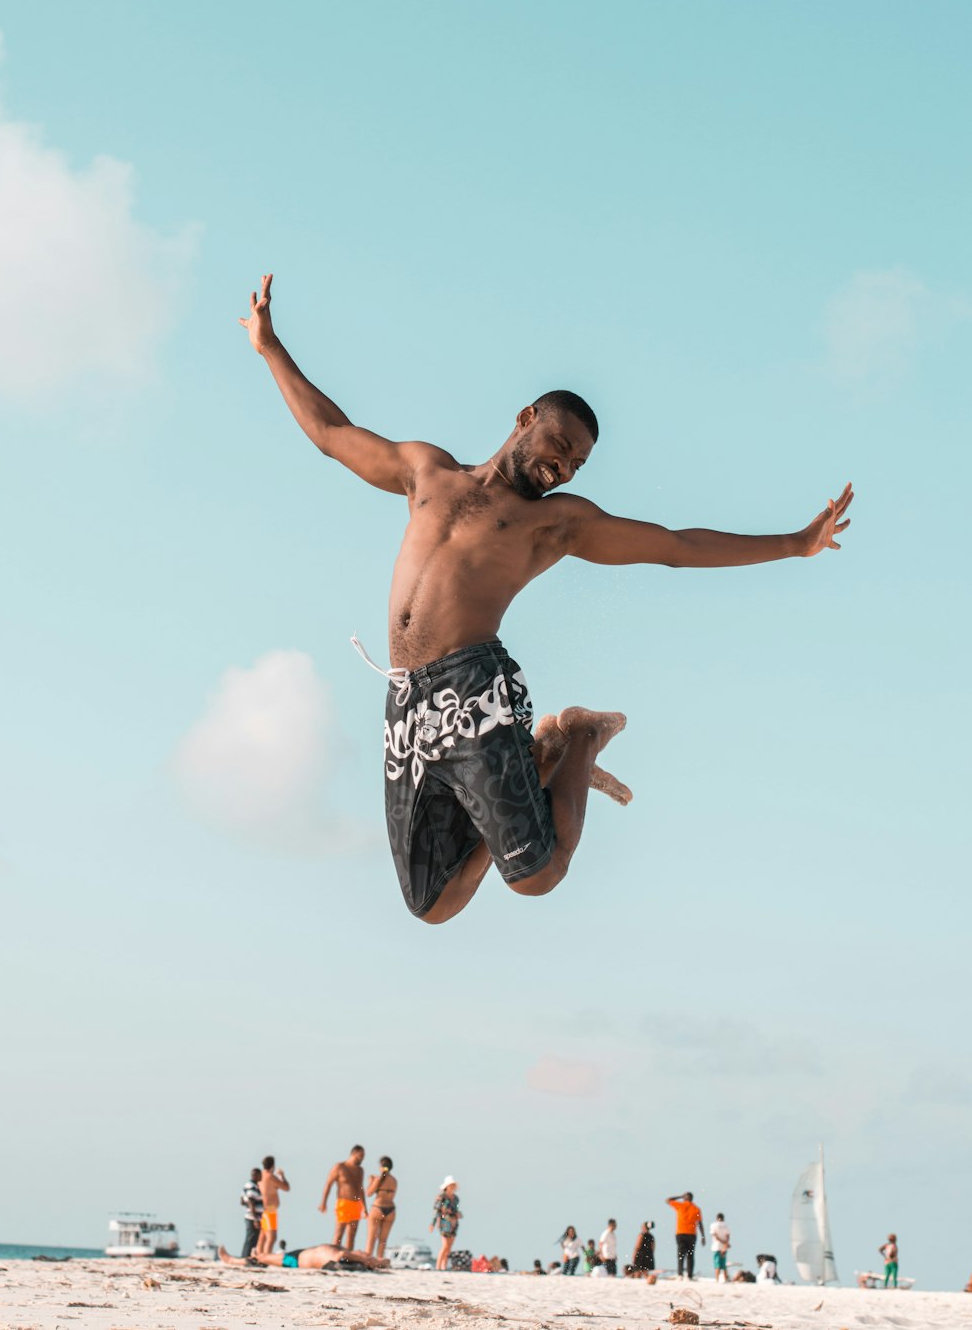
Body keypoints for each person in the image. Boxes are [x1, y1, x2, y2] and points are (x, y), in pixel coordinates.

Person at [240, 276, 854, 924]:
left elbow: (674, 544)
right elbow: (333, 433)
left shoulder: (554, 522)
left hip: (473, 681)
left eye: (576, 465)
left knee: (537, 874)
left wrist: (793, 542)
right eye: (560, 447)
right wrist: (269, 347)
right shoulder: (427, 471)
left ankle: (581, 735)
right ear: (526, 418)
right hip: (406, 695)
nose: (562, 469)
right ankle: (541, 765)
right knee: (432, 901)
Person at [319, 1145, 367, 1249]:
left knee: (352, 1234)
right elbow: (328, 1184)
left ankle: (348, 1259)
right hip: (343, 1203)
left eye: (363, 1156)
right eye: (360, 1156)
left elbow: (361, 1189)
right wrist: (323, 1202)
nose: (362, 1158)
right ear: (353, 1154)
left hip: (356, 1205)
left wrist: (365, 1208)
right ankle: (334, 1256)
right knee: (339, 1232)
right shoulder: (340, 1167)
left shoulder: (360, 1170)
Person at [219, 1242, 388, 1271]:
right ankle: (256, 1256)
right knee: (263, 1256)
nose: (361, 1250)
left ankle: (233, 1260)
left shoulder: (344, 1255)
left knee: (263, 1258)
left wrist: (365, 1259)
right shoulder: (347, 1255)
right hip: (301, 1255)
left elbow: (341, 1255)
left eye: (363, 1253)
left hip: (297, 1260)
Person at [365, 1155, 398, 1261]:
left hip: (378, 1208)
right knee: (383, 1240)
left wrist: (371, 1181)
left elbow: (369, 1193)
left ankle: (368, 1259)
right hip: (391, 1209)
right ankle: (379, 1260)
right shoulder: (394, 1180)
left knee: (371, 1238)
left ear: (381, 1167)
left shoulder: (378, 1179)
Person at [667, 1193, 705, 1279]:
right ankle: (689, 1275)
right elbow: (700, 1223)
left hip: (680, 1233)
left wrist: (680, 1196)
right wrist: (703, 1236)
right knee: (690, 1255)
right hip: (691, 1235)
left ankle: (680, 1274)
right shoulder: (696, 1209)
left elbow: (668, 1200)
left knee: (680, 1254)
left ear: (685, 1198)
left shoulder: (680, 1205)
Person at [259, 1156, 290, 1257]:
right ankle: (266, 1257)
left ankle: (259, 1255)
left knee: (263, 1235)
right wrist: (282, 1176)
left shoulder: (261, 1176)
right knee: (271, 1237)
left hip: (263, 1208)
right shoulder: (270, 1176)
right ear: (272, 1165)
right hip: (270, 1208)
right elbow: (286, 1187)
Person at [430, 1176, 462, 1269]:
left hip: (454, 1223)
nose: (452, 1187)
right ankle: (438, 1266)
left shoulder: (456, 1198)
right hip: (444, 1223)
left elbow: (456, 1210)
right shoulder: (441, 1197)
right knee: (445, 1246)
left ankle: (444, 1266)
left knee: (449, 1247)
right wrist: (433, 1223)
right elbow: (436, 1211)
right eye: (451, 1185)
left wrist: (458, 1214)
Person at [239, 1167, 263, 1261]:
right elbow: (251, 1201)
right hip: (252, 1217)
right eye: (260, 1175)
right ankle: (245, 1258)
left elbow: (242, 1201)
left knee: (252, 1239)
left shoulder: (249, 1185)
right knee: (251, 1239)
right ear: (256, 1175)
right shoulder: (252, 1186)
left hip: (251, 1216)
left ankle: (247, 1258)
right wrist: (255, 1218)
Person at [710, 1213, 731, 1284]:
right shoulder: (726, 1225)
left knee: (717, 1264)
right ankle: (725, 1279)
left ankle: (717, 1279)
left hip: (716, 1246)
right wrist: (726, 1243)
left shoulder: (713, 1225)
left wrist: (723, 1242)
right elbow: (728, 1236)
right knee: (723, 1264)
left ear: (717, 1218)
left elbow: (715, 1236)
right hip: (724, 1247)